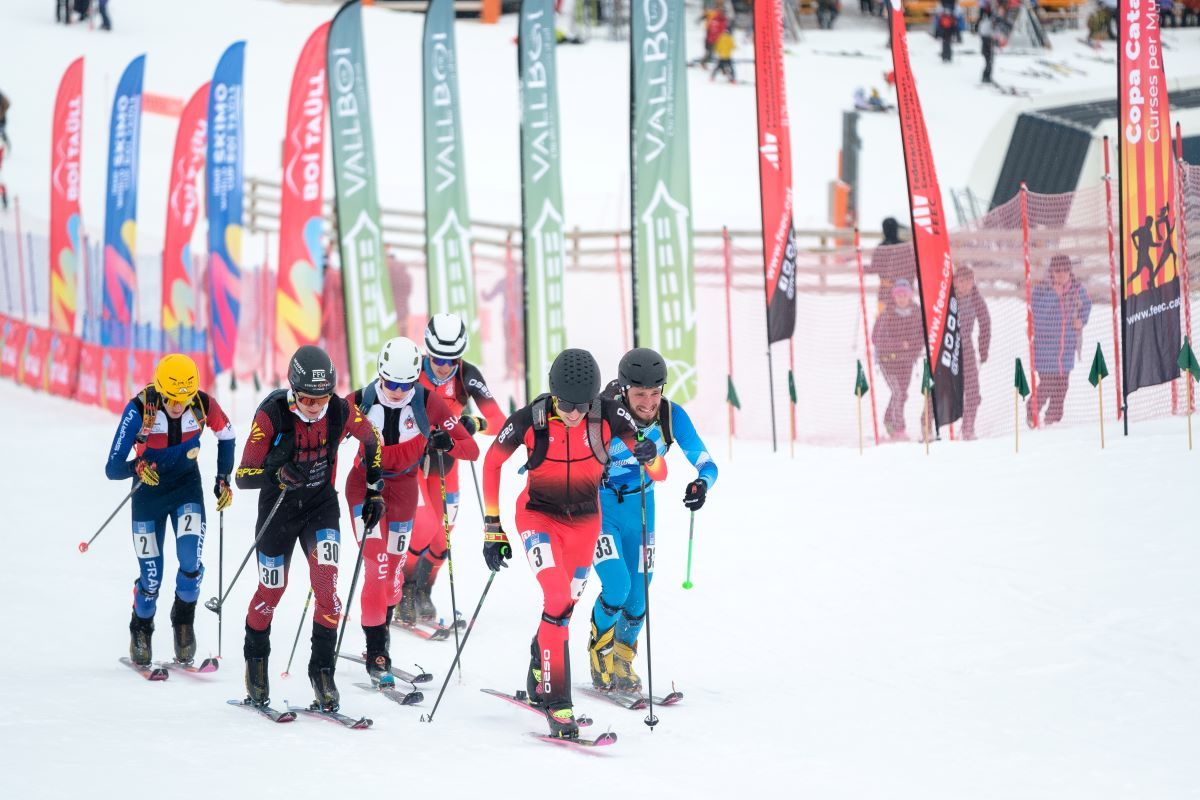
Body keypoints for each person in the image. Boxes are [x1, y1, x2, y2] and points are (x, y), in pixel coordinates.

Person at [481, 348, 654, 739]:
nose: (573, 413)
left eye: (580, 405)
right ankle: (559, 703)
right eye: (564, 404)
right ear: (552, 394)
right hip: (537, 518)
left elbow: (657, 471)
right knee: (556, 599)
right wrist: (492, 525)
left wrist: (648, 453)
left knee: (566, 607)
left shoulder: (608, 414)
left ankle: (539, 668)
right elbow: (491, 462)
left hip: (585, 526)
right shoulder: (532, 420)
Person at [234, 345, 383, 711]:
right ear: (293, 392)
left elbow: (372, 439)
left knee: (327, 588)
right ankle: (256, 664)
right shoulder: (272, 415)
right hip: (279, 510)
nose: (316, 408)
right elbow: (243, 477)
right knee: (272, 591)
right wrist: (276, 472)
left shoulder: (340, 411)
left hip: (320, 508)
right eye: (308, 400)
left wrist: (374, 490)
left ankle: (321, 672)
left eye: (323, 399)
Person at [344, 336, 478, 681]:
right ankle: (377, 650)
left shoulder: (428, 402)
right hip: (365, 487)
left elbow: (471, 449)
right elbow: (323, 442)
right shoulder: (358, 401)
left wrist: (447, 441)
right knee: (375, 565)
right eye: (390, 383)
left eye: (405, 384)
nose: (397, 391)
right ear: (379, 375)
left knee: (391, 578)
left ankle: (384, 630)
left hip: (404, 489)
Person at [587, 349, 717, 695]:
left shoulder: (671, 416)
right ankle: (599, 652)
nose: (648, 403)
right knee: (617, 585)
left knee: (639, 595)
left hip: (642, 507)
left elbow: (708, 465)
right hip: (601, 508)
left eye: (655, 393)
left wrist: (701, 485)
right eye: (640, 394)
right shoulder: (603, 415)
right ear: (625, 390)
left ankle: (623, 658)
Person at [104, 354, 236, 666]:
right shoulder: (139, 409)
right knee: (152, 577)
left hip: (185, 489)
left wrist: (223, 478)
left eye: (184, 399)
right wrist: (137, 467)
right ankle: (141, 627)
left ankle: (183, 623)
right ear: (160, 390)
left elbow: (227, 434)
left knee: (190, 561)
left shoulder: (203, 404)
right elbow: (111, 469)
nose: (178, 406)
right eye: (172, 399)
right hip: (148, 496)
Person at [399, 313, 506, 626]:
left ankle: (423, 592)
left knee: (442, 538)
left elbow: (498, 421)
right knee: (424, 527)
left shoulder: (467, 375)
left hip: (447, 462)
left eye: (451, 359)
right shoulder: (411, 368)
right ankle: (402, 590)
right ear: (427, 350)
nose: (444, 366)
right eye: (437, 358)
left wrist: (472, 423)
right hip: (412, 460)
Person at [1030, 255, 1091, 426]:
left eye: (1065, 271)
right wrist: (1053, 296)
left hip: (1066, 349)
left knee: (1062, 387)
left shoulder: (1077, 290)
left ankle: (1053, 420)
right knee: (1047, 384)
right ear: (1051, 272)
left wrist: (1081, 320)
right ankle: (1031, 412)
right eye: (1057, 271)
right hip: (1045, 349)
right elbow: (1036, 315)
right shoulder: (1041, 290)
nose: (1061, 275)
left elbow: (1086, 305)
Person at [872, 279, 925, 440]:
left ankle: (888, 419)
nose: (902, 298)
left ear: (910, 296)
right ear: (894, 297)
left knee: (901, 394)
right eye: (898, 295)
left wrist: (912, 351)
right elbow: (876, 338)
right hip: (887, 361)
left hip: (906, 362)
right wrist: (899, 345)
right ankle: (898, 428)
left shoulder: (916, 314)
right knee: (898, 392)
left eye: (905, 295)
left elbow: (919, 338)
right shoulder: (886, 315)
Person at [954, 266, 991, 440]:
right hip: (947, 346)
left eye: (969, 281)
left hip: (966, 346)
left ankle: (968, 426)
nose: (965, 285)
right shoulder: (947, 297)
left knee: (973, 392)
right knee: (939, 388)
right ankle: (928, 424)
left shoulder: (976, 298)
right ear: (955, 281)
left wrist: (983, 350)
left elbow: (985, 323)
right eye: (961, 281)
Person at [865, 217, 916, 312]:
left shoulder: (881, 248)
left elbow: (874, 268)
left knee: (884, 318)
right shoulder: (905, 246)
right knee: (903, 319)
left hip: (886, 292)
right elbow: (913, 266)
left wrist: (862, 268)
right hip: (904, 292)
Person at [978, 7, 996, 84]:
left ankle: (987, 77)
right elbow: (991, 34)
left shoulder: (983, 22)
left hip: (987, 44)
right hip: (987, 44)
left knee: (989, 62)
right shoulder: (987, 22)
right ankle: (986, 77)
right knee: (989, 61)